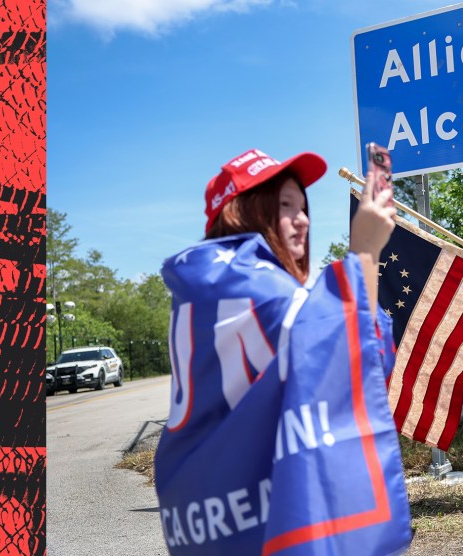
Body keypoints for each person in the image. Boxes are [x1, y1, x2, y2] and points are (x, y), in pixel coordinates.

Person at [154, 148, 412, 556]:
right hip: (249, 512)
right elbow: (345, 354)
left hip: (212, 504)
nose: (303, 219)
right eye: (285, 206)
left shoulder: (208, 281)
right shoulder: (243, 278)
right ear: (243, 212)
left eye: (303, 206)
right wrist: (365, 251)